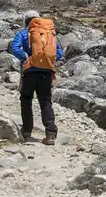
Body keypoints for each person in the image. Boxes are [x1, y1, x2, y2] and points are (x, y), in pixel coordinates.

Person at [10, 10, 64, 145]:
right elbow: (59, 52)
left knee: (26, 99)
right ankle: (50, 133)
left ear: (26, 21)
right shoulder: (49, 34)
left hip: (29, 72)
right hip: (46, 72)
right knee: (45, 101)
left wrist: (26, 58)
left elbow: (14, 47)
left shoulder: (24, 33)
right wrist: (48, 60)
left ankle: (27, 130)